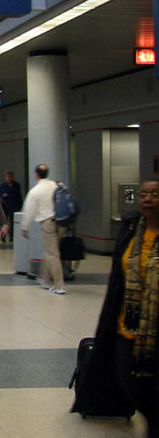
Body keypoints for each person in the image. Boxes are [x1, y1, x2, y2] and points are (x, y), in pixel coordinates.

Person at [72, 177, 158, 433]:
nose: (148, 199)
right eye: (143, 194)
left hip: (154, 326)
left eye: (154, 194)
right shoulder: (133, 227)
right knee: (125, 376)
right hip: (127, 321)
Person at [22, 164, 66, 294]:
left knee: (52, 254)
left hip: (47, 223)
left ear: (36, 175)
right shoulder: (56, 185)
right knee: (50, 251)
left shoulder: (36, 191)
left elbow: (29, 211)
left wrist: (25, 227)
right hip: (61, 222)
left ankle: (59, 285)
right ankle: (46, 279)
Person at [0, 171, 23, 242]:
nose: (8, 178)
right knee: (4, 222)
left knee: (12, 223)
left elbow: (19, 196)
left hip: (13, 206)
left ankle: (11, 237)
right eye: (7, 177)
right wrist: (3, 196)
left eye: (9, 176)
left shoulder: (16, 185)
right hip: (5, 206)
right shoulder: (3, 186)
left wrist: (19, 205)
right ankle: (3, 236)